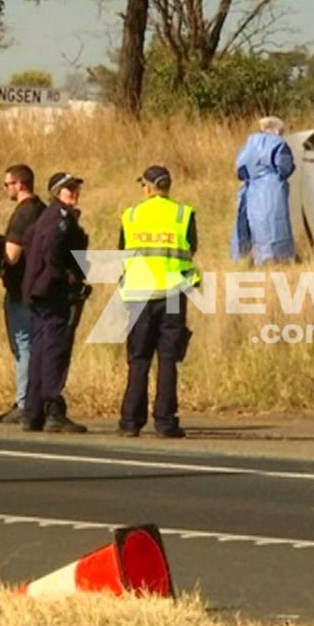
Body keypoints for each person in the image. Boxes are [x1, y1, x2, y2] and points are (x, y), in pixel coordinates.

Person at [116, 165, 198, 439]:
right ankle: (165, 421)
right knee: (168, 358)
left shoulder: (132, 214)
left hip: (139, 294)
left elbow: (121, 252)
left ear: (148, 188)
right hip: (173, 294)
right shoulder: (182, 213)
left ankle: (130, 422)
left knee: (138, 359)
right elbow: (191, 247)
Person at [21, 172, 90, 433]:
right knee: (54, 351)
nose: (73, 192)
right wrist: (66, 277)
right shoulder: (59, 219)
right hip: (53, 294)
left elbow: (29, 240)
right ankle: (52, 410)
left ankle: (33, 412)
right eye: (67, 188)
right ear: (55, 192)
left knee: (40, 352)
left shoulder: (46, 216)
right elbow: (53, 249)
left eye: (75, 187)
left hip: (40, 293)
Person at [0, 164, 47, 425]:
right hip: (39, 287)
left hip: (20, 289)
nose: (6, 189)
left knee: (24, 344)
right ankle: (35, 399)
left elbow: (12, 255)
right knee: (35, 345)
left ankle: (25, 402)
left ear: (19, 185)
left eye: (7, 185)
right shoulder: (43, 210)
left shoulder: (22, 214)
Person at [231, 116, 296, 265]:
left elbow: (240, 170)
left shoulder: (250, 143)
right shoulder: (279, 144)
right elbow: (285, 167)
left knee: (257, 226)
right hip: (273, 189)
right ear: (278, 130)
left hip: (253, 191)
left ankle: (259, 258)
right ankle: (280, 260)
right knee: (276, 225)